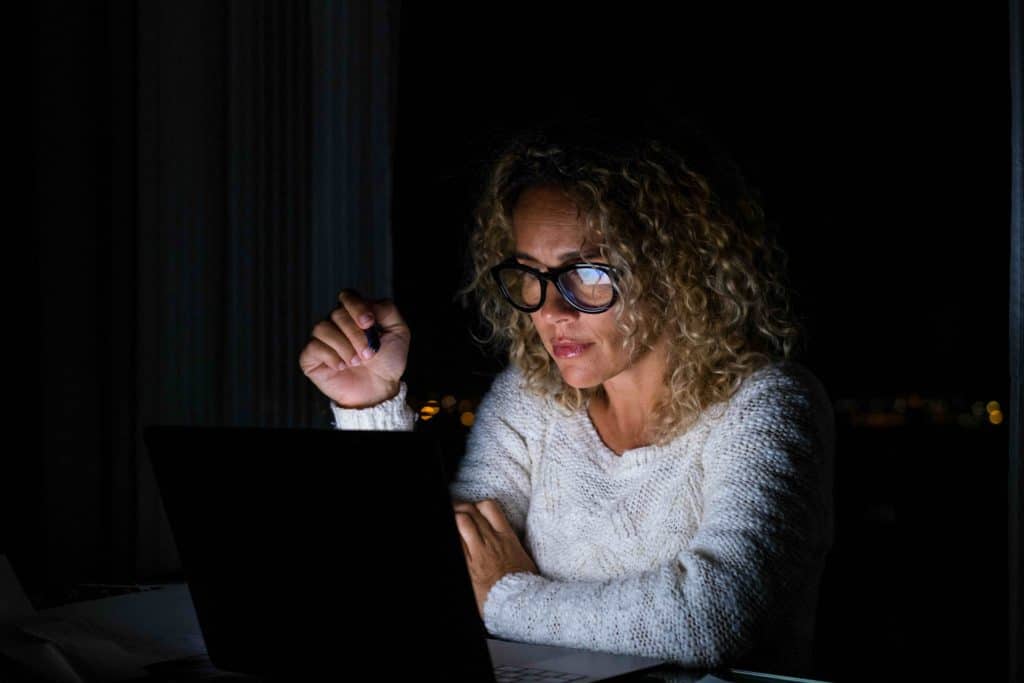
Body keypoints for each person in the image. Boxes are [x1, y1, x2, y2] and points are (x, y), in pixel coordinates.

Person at [297, 113, 835, 677]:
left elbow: (711, 616)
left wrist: (506, 599)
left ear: (679, 270)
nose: (551, 312)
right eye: (531, 273)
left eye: (590, 274)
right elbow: (427, 578)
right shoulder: (532, 398)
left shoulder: (768, 404)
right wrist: (370, 408)